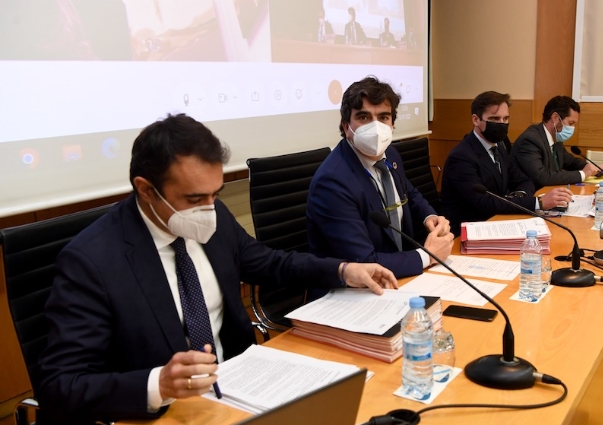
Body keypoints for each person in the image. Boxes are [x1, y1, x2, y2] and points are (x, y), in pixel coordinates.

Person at [36, 114, 398, 424]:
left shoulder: (212, 216)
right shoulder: (92, 261)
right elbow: (58, 386)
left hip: (241, 388)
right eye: (194, 199)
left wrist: (344, 270)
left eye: (216, 195)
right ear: (146, 190)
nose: (208, 209)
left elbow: (268, 262)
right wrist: (157, 383)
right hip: (168, 411)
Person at [307, 76, 454, 279]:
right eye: (364, 117)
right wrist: (427, 257)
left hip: (399, 275)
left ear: (392, 124)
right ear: (345, 126)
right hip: (352, 291)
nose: (375, 128)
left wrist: (430, 217)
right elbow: (363, 262)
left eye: (383, 117)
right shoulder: (332, 182)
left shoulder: (390, 154)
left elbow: (409, 192)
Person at [439, 91, 573, 236]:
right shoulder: (461, 157)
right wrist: (538, 203)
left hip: (496, 222)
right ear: (476, 120)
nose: (501, 124)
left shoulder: (498, 148)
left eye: (505, 118)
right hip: (467, 232)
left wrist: (519, 196)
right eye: (495, 118)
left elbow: (524, 180)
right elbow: (484, 203)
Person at [510, 95, 601, 188]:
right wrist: (582, 174)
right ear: (555, 117)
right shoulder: (530, 140)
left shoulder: (555, 138)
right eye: (570, 123)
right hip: (531, 196)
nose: (572, 128)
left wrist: (596, 169)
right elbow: (542, 177)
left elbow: (570, 162)